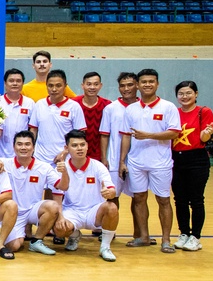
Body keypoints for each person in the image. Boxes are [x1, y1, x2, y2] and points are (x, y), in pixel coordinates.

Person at [118, 69, 180, 253]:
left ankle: (166, 240)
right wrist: (123, 161)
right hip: (136, 162)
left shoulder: (168, 107)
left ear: (157, 84)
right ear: (138, 85)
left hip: (161, 163)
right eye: (143, 82)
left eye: (151, 81)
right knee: (138, 198)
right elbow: (126, 136)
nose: (147, 85)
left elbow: (174, 132)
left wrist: (148, 135)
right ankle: (143, 237)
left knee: (163, 200)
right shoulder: (131, 109)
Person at [0, 131, 68, 255]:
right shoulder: (4, 163)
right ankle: (17, 233)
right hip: (12, 213)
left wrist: (64, 172)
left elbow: (63, 186)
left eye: (27, 144)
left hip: (33, 210)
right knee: (14, 246)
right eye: (20, 144)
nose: (23, 147)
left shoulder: (44, 167)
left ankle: (36, 241)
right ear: (14, 147)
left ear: (33, 147)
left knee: (53, 206)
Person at [53, 130, 119, 262]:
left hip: (94, 211)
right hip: (72, 211)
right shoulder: (61, 169)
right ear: (67, 148)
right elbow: (57, 197)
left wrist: (110, 193)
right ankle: (74, 235)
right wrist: (60, 217)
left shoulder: (98, 166)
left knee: (112, 207)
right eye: (75, 145)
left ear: (87, 146)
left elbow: (112, 190)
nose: (79, 148)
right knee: (58, 229)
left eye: (82, 145)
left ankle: (105, 247)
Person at [171, 80, 213, 252]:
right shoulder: (173, 112)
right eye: (181, 93)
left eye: (188, 93)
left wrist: (205, 134)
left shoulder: (204, 111)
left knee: (196, 199)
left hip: (197, 159)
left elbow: (204, 139)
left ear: (196, 94)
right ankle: (184, 233)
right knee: (179, 199)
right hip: (176, 159)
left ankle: (195, 236)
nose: (185, 96)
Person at [29, 70, 86, 166]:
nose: (54, 89)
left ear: (65, 86)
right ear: (46, 86)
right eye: (50, 86)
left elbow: (80, 135)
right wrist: (31, 150)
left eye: (58, 85)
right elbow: (33, 130)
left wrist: (65, 152)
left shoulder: (74, 106)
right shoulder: (39, 104)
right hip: (40, 159)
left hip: (64, 160)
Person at [99, 72, 139, 203]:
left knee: (138, 198)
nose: (126, 89)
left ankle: (139, 225)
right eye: (122, 86)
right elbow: (105, 135)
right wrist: (104, 158)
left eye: (130, 85)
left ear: (137, 86)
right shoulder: (110, 108)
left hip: (137, 160)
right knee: (112, 196)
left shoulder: (143, 108)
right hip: (114, 160)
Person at [72, 72, 111, 161]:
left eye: (96, 84)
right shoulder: (73, 104)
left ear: (100, 85)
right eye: (89, 84)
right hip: (76, 154)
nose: (92, 87)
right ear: (82, 85)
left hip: (99, 156)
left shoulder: (107, 105)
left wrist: (104, 158)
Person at [0, 69, 34, 158]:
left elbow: (33, 128)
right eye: (11, 81)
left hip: (22, 154)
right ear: (5, 83)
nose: (15, 83)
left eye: (18, 81)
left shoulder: (30, 103)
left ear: (23, 84)